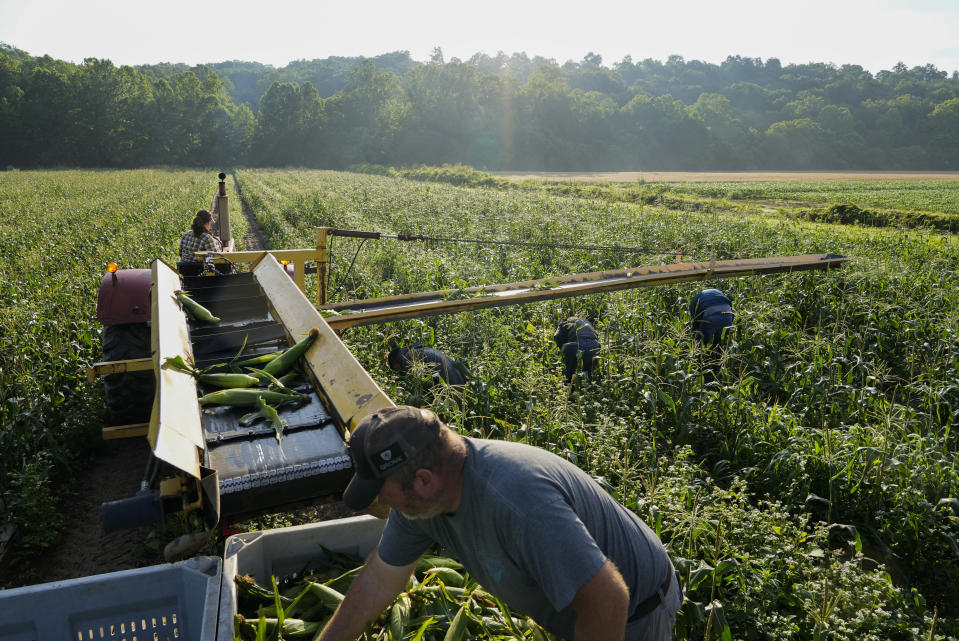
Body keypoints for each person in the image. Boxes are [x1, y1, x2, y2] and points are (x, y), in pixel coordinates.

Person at [316, 406, 682, 641]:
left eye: (381, 491)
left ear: (424, 481)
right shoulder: (420, 505)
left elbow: (608, 600)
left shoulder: (518, 504)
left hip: (635, 615)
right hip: (583, 607)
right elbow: (379, 581)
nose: (379, 501)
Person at [387, 344, 468, 387]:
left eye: (396, 369)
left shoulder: (408, 358)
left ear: (395, 362)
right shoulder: (416, 350)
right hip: (458, 378)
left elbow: (418, 384)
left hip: (450, 383)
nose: (400, 371)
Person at [554, 318, 601, 384]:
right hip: (594, 344)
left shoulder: (565, 323)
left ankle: (569, 389)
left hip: (575, 344)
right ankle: (588, 389)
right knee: (588, 372)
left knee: (570, 372)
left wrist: (562, 350)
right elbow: (597, 335)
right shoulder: (586, 321)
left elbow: (557, 336)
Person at [178, 209, 222, 275]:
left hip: (185, 272)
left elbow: (180, 253)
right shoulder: (207, 238)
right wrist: (218, 249)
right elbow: (216, 257)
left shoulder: (186, 235)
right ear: (208, 222)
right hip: (200, 273)